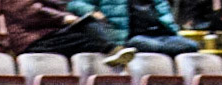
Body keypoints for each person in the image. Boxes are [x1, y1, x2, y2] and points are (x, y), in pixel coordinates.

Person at [0, 0, 138, 65]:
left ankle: (114, 54)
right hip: (31, 40)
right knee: (87, 28)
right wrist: (63, 18)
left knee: (90, 28)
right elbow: (28, 12)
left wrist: (66, 17)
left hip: (51, 33)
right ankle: (113, 50)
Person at [66, 0, 202, 55]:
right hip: (132, 36)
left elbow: (165, 15)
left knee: (192, 46)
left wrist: (172, 30)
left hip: (162, 34)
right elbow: (74, 3)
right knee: (153, 47)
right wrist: (93, 11)